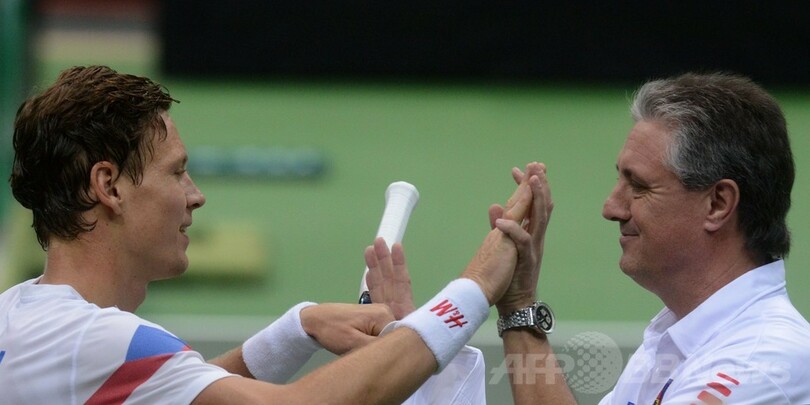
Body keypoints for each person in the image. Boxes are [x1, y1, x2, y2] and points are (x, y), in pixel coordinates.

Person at [0, 65, 544, 404]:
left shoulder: (23, 318)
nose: (195, 195)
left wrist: (298, 327)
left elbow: (180, 388)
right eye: (176, 171)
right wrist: (477, 286)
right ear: (108, 186)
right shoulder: (96, 343)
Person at [495, 72, 810, 404]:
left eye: (639, 186)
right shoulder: (674, 337)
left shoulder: (760, 364)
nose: (611, 208)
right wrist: (518, 303)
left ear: (718, 204)